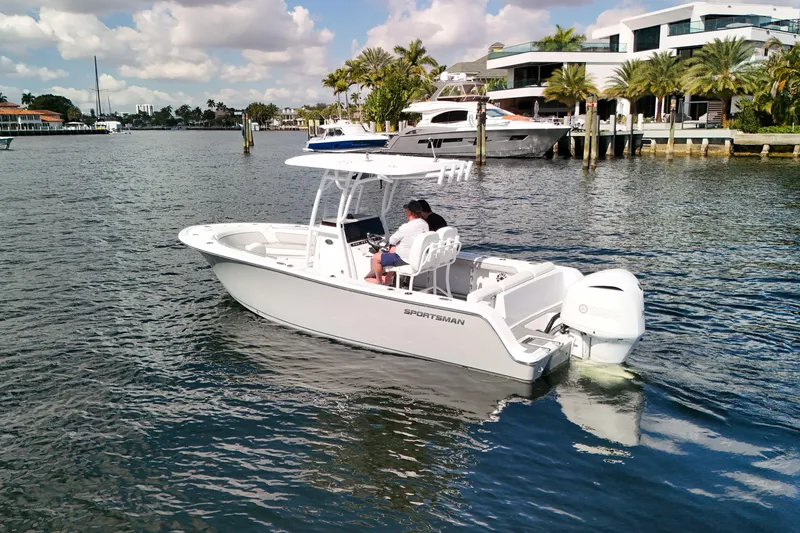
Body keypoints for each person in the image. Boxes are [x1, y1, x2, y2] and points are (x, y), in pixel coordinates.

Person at [367, 200, 428, 285]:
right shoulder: (425, 224)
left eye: (406, 210)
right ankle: (388, 278)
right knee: (393, 250)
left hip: (405, 259)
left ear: (409, 212)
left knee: (376, 257)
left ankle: (378, 281)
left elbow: (392, 240)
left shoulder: (406, 227)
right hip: (419, 257)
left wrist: (396, 245)